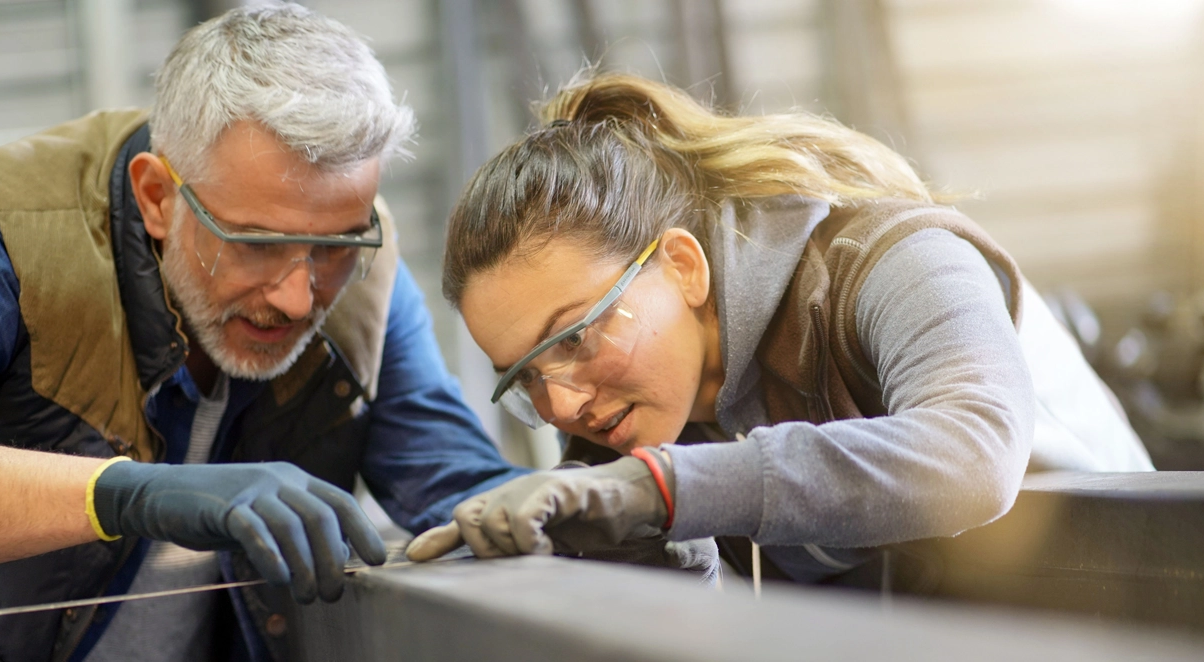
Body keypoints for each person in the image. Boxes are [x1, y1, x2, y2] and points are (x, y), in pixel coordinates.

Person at [0, 6, 527, 661]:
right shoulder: (0, 239)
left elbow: (454, 484)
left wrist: (607, 494)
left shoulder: (366, 270)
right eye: (254, 242)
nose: (296, 293)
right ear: (156, 196)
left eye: (335, 245)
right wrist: (128, 493)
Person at [406, 73, 1153, 585]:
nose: (562, 407)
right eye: (527, 377)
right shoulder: (644, 409)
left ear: (683, 266)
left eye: (572, 337)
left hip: (1132, 597)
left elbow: (973, 454)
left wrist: (657, 491)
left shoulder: (892, 262)